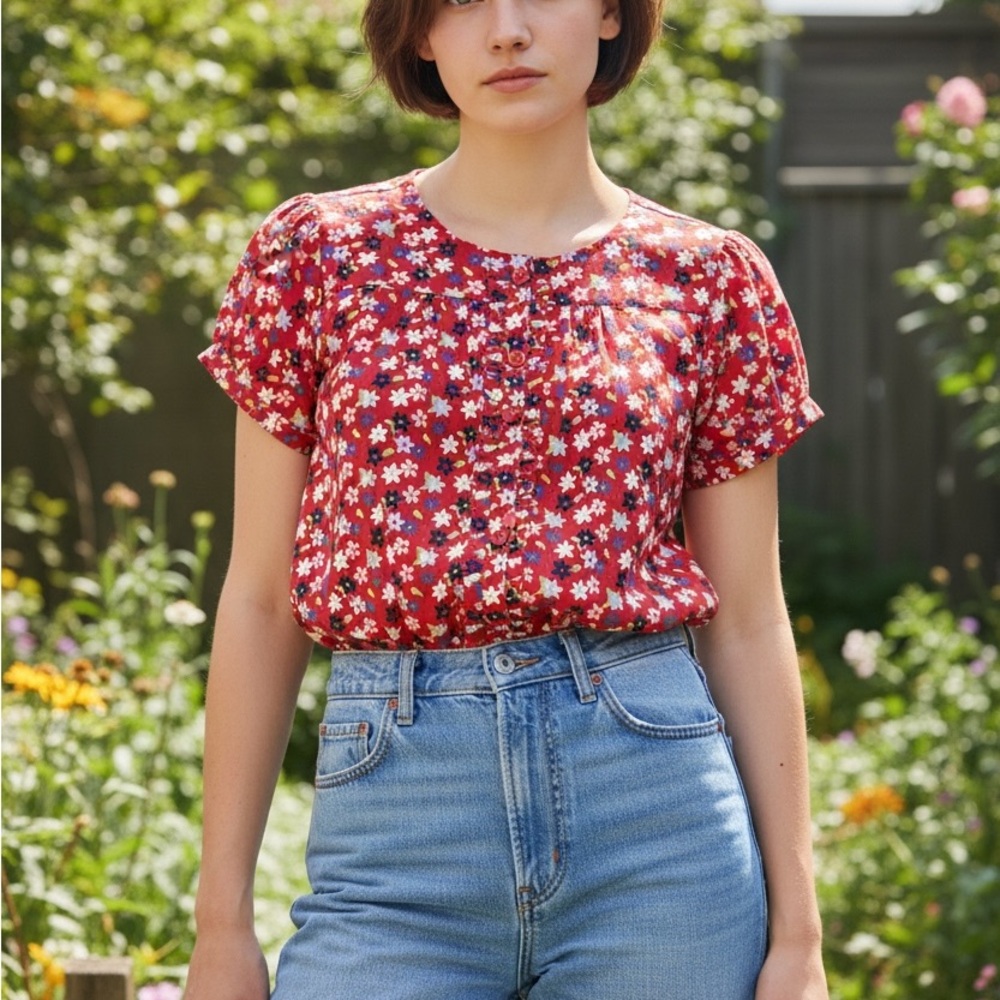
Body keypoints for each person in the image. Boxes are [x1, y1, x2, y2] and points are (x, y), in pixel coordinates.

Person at [183, 0, 829, 997]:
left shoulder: (710, 281)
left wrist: (800, 937)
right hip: (396, 838)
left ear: (613, 13)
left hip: (658, 827)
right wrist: (219, 924)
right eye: (461, 1)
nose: (508, 30)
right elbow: (261, 598)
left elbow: (747, 617)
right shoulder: (317, 256)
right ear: (420, 35)